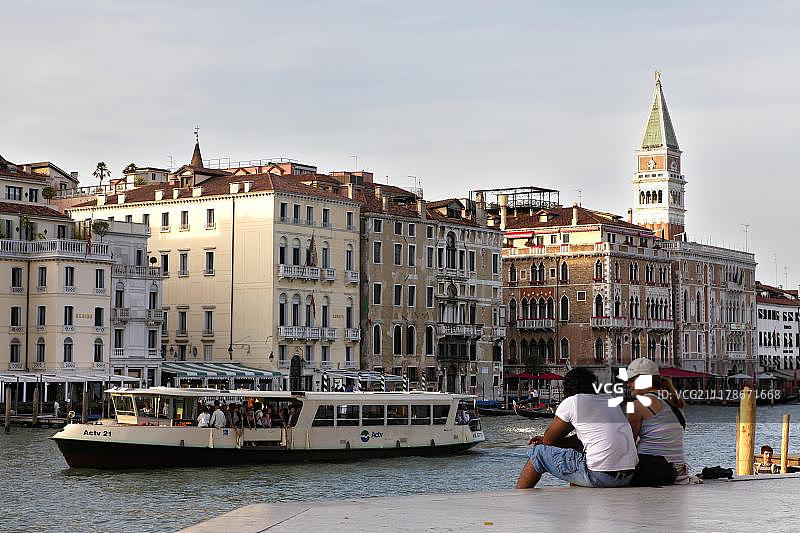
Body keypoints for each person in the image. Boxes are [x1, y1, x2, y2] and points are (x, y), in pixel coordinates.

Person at [516, 367, 638, 489]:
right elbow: (584, 439)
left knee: (538, 453)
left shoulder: (572, 402)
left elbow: (549, 441)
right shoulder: (609, 399)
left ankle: (519, 498)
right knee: (580, 451)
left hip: (599, 476)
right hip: (627, 476)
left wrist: (544, 440)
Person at [624, 357, 692, 486]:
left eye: (631, 380)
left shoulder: (637, 405)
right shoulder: (674, 401)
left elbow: (629, 445)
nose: (628, 385)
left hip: (652, 470)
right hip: (677, 469)